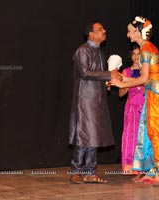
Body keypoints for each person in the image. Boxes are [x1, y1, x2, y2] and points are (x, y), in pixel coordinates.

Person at [111, 16, 159, 183]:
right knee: (150, 130)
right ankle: (154, 170)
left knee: (155, 130)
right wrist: (121, 81)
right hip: (153, 89)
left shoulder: (146, 48)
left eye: (130, 31)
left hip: (156, 90)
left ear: (139, 32)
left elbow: (145, 77)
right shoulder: (147, 47)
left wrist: (122, 83)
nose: (127, 34)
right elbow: (144, 77)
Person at [68, 21, 120, 184]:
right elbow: (84, 72)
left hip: (96, 100)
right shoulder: (83, 50)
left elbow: (98, 75)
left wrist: (110, 80)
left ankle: (90, 172)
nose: (104, 31)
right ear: (90, 34)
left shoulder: (99, 52)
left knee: (93, 137)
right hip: (85, 100)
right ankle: (76, 171)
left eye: (104, 28)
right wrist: (109, 74)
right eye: (100, 29)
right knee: (84, 136)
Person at [119, 44, 145, 179]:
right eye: (134, 54)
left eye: (139, 54)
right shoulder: (127, 71)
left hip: (145, 108)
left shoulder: (148, 71)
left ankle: (145, 168)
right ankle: (132, 167)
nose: (136, 57)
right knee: (131, 138)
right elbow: (121, 93)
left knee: (145, 139)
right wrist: (126, 82)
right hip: (132, 109)